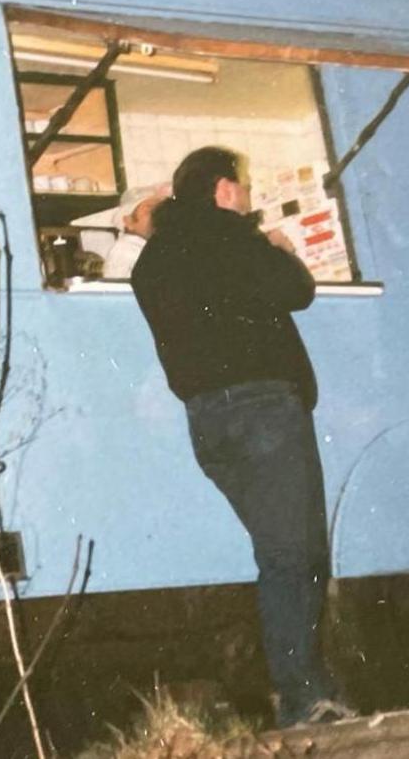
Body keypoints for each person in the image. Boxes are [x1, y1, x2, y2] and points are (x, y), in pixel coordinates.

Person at [129, 146, 349, 727]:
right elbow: (296, 292)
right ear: (224, 190)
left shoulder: (151, 262)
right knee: (294, 555)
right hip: (265, 412)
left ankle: (311, 688)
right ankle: (304, 699)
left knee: (284, 554)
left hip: (208, 423)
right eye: (244, 190)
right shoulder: (235, 238)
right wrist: (281, 249)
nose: (247, 200)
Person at [101, 184, 168, 280]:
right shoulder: (125, 251)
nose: (159, 215)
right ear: (129, 221)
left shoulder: (154, 247)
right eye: (150, 209)